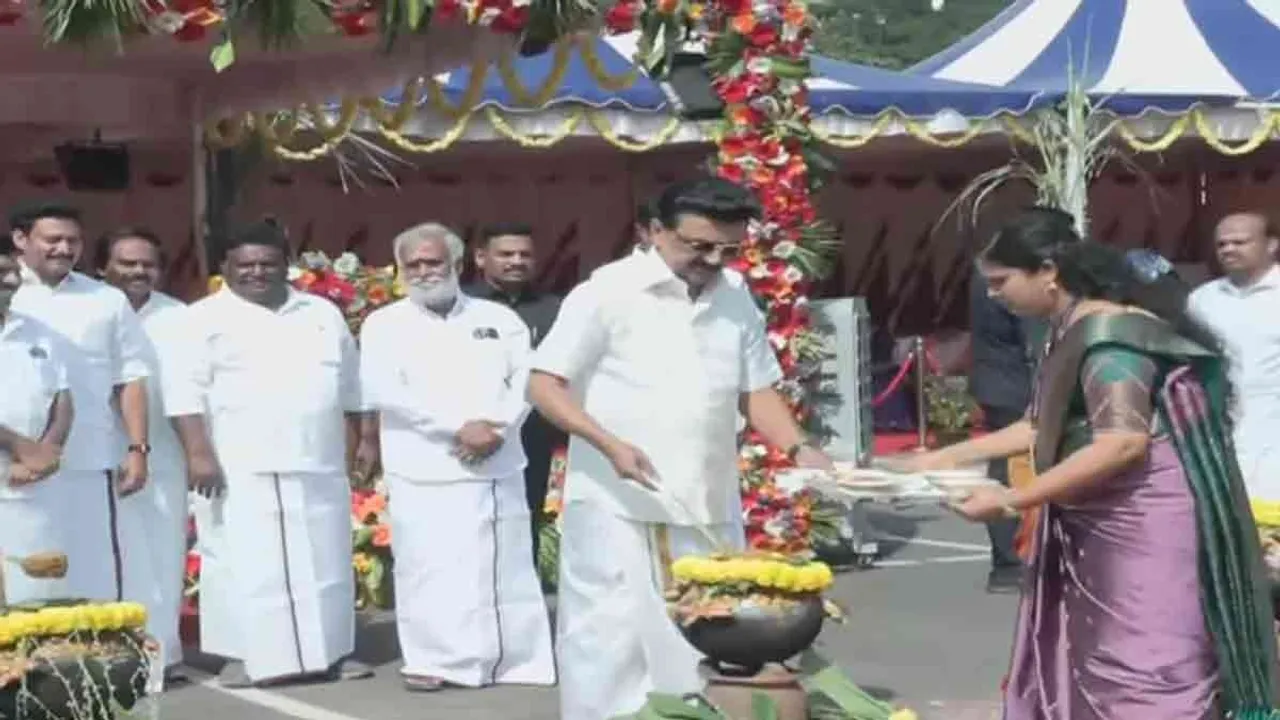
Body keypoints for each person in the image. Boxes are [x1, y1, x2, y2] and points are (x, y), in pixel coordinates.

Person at [898, 210, 1278, 719]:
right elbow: (1038, 424)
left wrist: (1012, 499)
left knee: (1142, 668)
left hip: (1145, 531)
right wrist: (942, 457)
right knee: (1095, 659)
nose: (994, 295)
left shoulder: (1111, 340)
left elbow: (1121, 443)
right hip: (1101, 525)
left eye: (1002, 281)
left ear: (1048, 272)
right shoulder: (1070, 328)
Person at [528, 177, 835, 720]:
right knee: (609, 641)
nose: (713, 259)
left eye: (728, 249)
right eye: (698, 246)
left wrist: (799, 446)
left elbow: (754, 388)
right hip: (617, 505)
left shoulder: (734, 293)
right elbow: (545, 385)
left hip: (706, 502)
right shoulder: (606, 293)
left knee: (702, 637)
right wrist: (609, 444)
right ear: (652, 231)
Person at [165, 218, 372, 688]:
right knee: (238, 560)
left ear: (287, 266)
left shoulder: (320, 313)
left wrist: (365, 440)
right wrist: (199, 454)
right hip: (238, 464)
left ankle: (332, 653)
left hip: (316, 459)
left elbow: (352, 386)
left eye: (268, 263)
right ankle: (242, 655)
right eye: (246, 264)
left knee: (326, 559)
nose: (257, 272)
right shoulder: (199, 320)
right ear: (225, 267)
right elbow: (183, 395)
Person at [361, 222, 555, 693]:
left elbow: (525, 382)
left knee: (501, 565)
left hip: (497, 462)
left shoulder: (498, 319)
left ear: (456, 264)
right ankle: (433, 661)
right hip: (423, 467)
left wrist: (498, 428)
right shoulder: (383, 324)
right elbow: (389, 392)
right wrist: (458, 428)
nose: (424, 272)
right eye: (414, 264)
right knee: (428, 568)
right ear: (401, 269)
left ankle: (512, 660)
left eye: (434, 262)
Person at [9, 200, 152, 602]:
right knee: (23, 576)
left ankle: (91, 664)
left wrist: (138, 448)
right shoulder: (8, 294)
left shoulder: (105, 300)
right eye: (52, 239)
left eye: (73, 240)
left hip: (89, 461)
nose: (64, 249)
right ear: (21, 240)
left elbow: (130, 377)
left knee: (93, 577)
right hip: (15, 467)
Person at [97, 227, 191, 685]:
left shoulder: (180, 317)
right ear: (102, 268)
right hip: (94, 455)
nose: (138, 271)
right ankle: (109, 656)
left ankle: (161, 655)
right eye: (126, 263)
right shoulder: (89, 309)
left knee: (162, 553)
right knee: (109, 554)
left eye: (147, 264)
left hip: (164, 455)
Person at [967, 209, 1070, 593]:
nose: (995, 290)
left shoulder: (989, 269)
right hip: (1017, 387)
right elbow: (1034, 342)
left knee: (1010, 471)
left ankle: (1013, 561)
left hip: (1001, 385)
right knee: (1018, 470)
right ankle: (1018, 558)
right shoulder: (1013, 283)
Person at [464, 222, 565, 563]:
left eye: (525, 254)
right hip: (472, 433)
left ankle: (525, 601)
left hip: (532, 433)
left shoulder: (556, 309)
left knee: (526, 517)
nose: (516, 261)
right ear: (480, 257)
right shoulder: (461, 307)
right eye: (506, 254)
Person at [1188, 211, 1280, 501]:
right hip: (1222, 434)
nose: (1228, 250)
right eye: (1222, 244)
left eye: (1240, 242)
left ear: (1271, 244)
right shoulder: (1202, 300)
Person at [0, 248, 73, 604]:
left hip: (32, 487)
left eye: (14, 272)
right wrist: (20, 446)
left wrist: (49, 451)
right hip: (16, 464)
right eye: (1, 273)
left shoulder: (36, 332)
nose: (12, 281)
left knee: (35, 596)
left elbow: (62, 399)